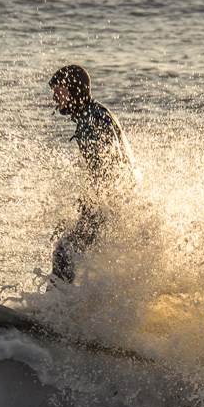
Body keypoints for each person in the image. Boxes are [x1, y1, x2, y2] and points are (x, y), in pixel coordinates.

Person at [48, 64, 137, 284]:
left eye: (59, 93)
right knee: (70, 249)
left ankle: (57, 309)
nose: (55, 99)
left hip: (113, 202)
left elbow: (106, 172)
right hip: (121, 200)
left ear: (74, 91)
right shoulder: (95, 112)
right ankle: (75, 303)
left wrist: (89, 209)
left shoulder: (91, 121)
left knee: (64, 251)